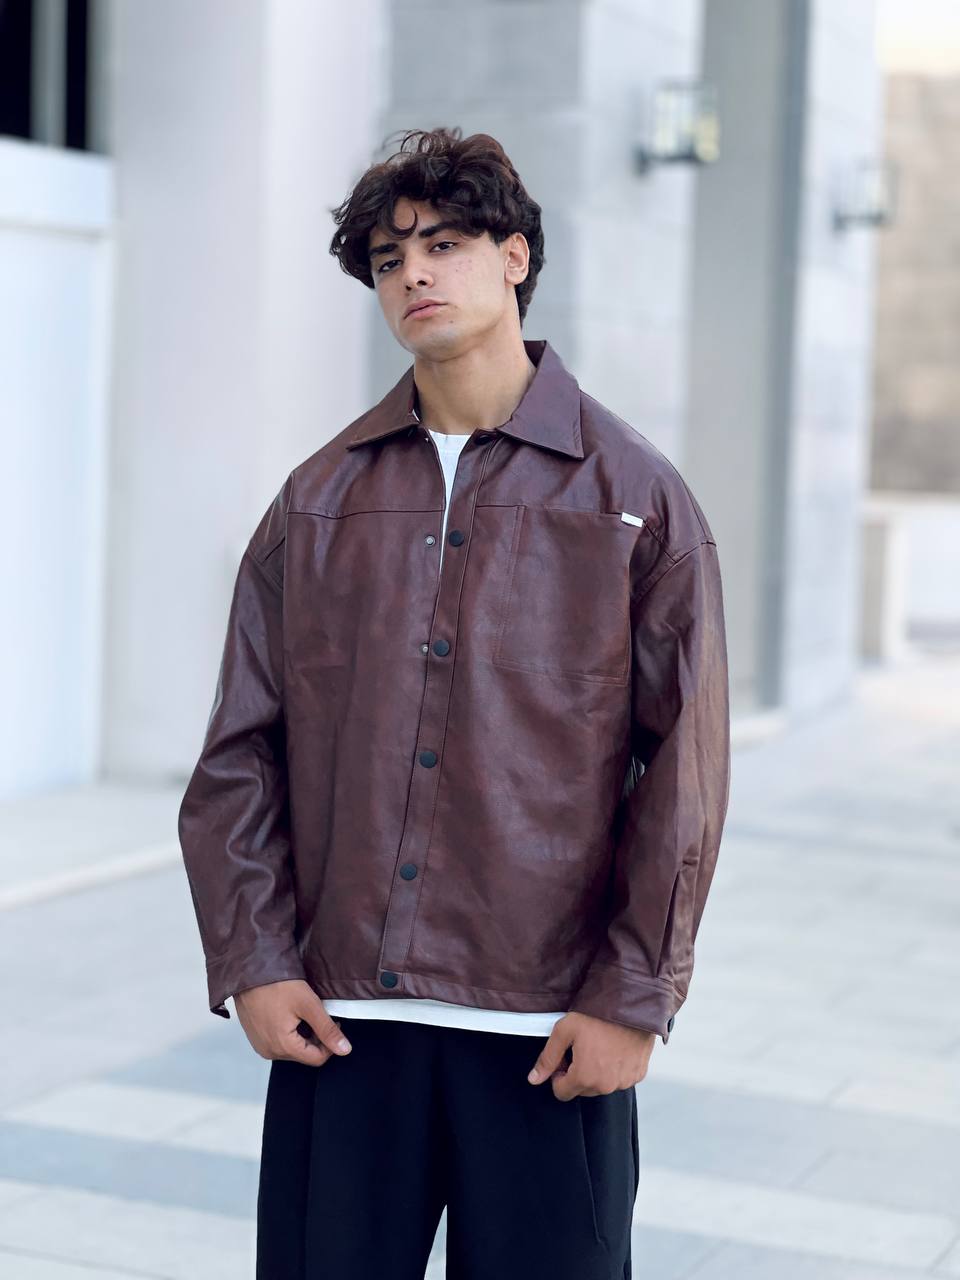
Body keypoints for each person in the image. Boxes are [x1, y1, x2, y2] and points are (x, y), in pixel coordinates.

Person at [177, 125, 731, 1279]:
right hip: (343, 1024)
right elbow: (240, 752)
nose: (413, 274)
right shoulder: (318, 499)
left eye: (444, 244)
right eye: (388, 259)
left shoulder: (634, 498)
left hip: (547, 1031)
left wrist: (633, 995)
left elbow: (685, 770)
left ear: (516, 256)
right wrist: (255, 958)